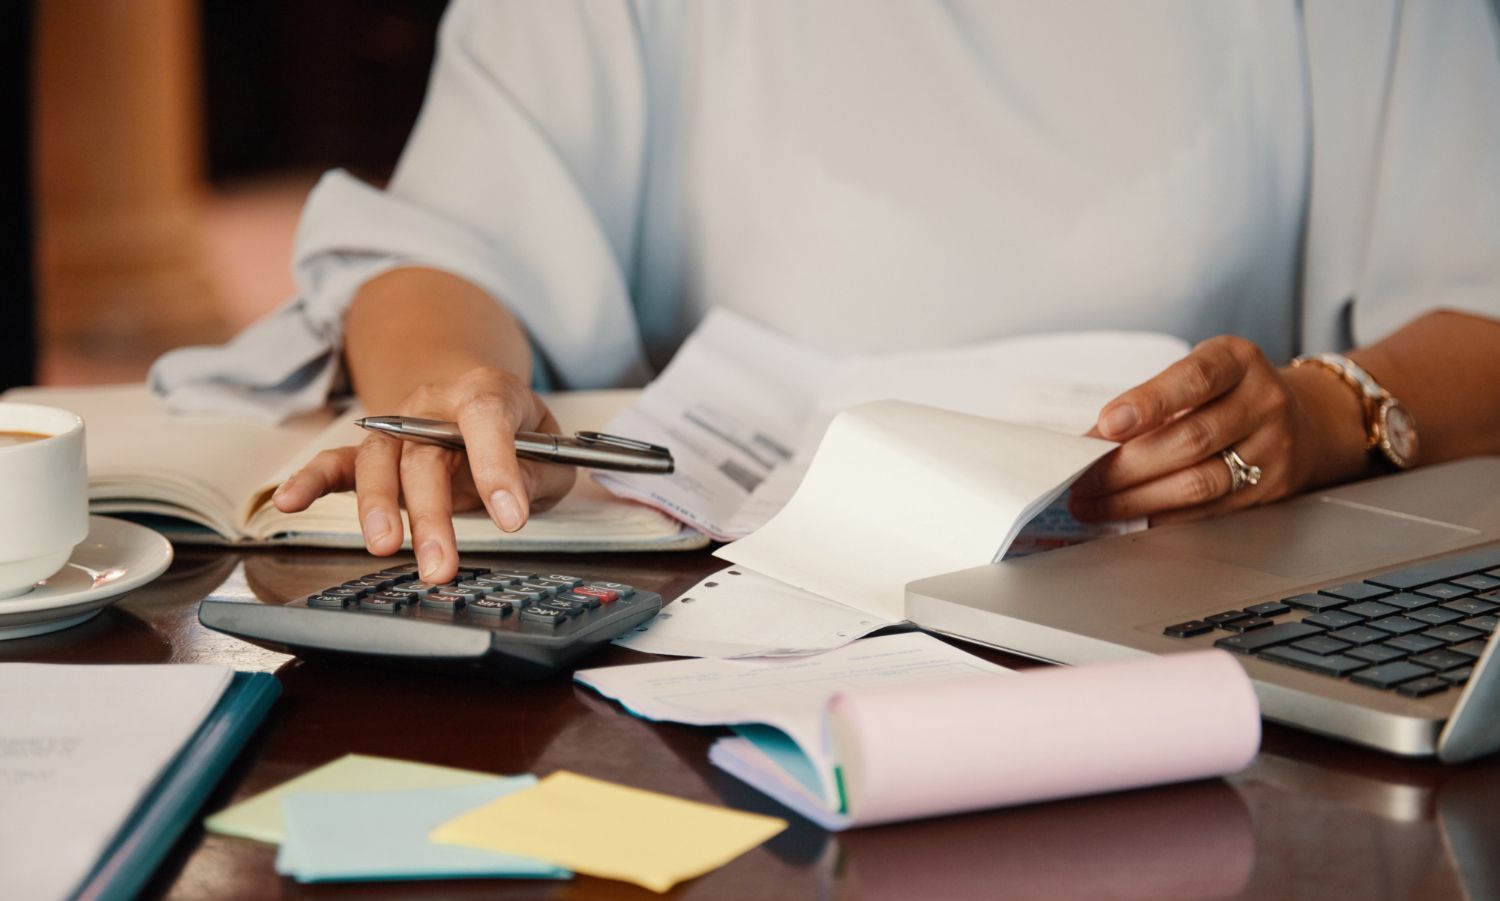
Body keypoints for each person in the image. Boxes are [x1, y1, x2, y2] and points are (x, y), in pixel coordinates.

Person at [151, 0, 1500, 585]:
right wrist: (450, 381)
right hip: (731, 632)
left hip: (1185, 629)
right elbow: (443, 247)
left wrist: (1323, 416)